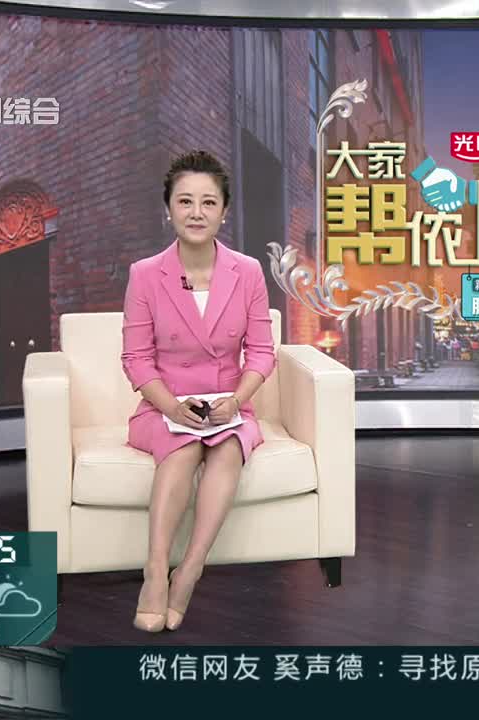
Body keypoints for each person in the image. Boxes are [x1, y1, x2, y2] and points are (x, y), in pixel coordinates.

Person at [121, 150, 276, 632]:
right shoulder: (145, 274)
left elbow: (262, 353)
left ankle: (189, 570)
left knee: (228, 448)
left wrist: (237, 400)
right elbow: (136, 359)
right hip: (163, 406)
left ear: (224, 211)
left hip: (229, 405)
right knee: (184, 448)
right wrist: (171, 406)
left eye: (208, 202)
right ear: (167, 208)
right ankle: (154, 572)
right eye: (184, 201)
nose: (196, 212)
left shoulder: (248, 271)